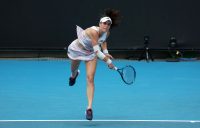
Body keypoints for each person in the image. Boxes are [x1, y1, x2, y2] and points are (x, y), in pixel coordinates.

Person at [67, 8, 121, 120]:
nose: (106, 25)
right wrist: (109, 62)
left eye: (108, 24)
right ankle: (74, 75)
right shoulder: (93, 32)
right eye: (104, 23)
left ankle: (89, 108)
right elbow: (97, 51)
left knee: (90, 78)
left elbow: (104, 41)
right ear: (100, 24)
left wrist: (106, 52)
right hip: (77, 50)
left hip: (90, 54)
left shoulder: (107, 33)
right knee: (73, 70)